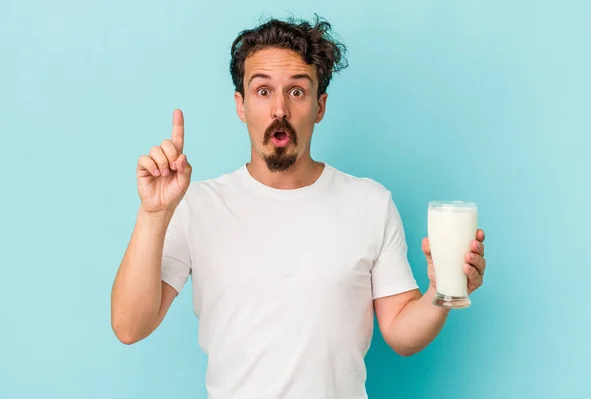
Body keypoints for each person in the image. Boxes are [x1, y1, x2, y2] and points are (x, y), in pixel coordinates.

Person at [110, 15, 487, 398]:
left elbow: (402, 334)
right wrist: (153, 214)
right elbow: (129, 326)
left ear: (319, 106)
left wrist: (441, 291)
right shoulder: (199, 206)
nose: (279, 109)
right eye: (262, 91)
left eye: (296, 92)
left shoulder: (370, 203)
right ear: (240, 106)